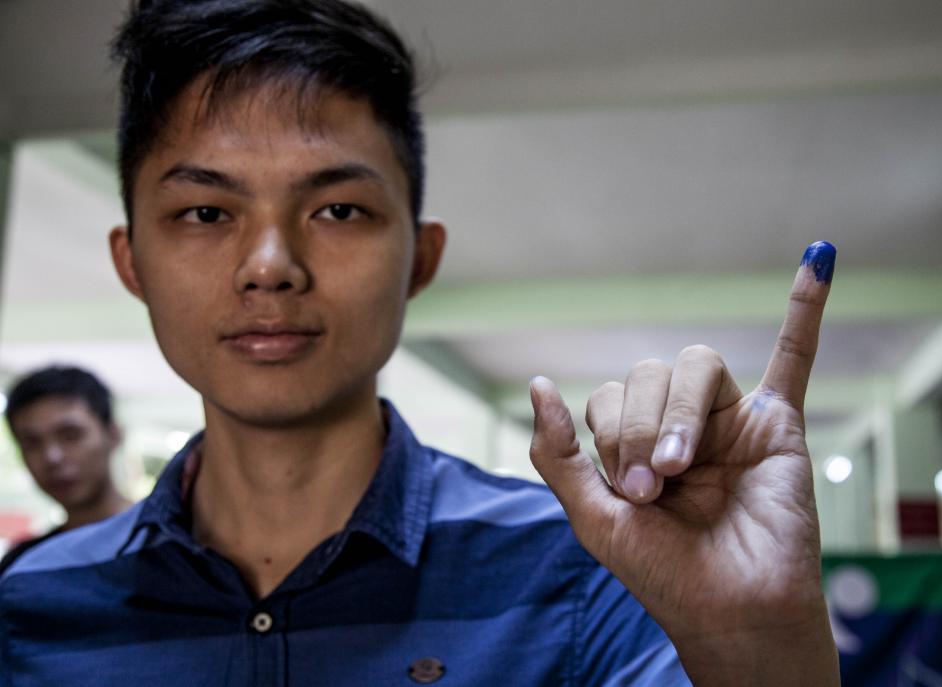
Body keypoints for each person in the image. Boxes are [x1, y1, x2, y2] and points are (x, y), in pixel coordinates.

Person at [0, 1, 839, 685]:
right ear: (132, 259)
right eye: (206, 212)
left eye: (337, 210)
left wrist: (758, 648)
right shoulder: (29, 608)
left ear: (421, 258)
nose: (270, 266)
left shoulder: (587, 569)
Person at [0, 366, 131, 576]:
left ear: (113, 434)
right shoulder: (26, 568)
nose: (52, 458)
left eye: (71, 435)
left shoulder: (172, 540)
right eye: (31, 443)